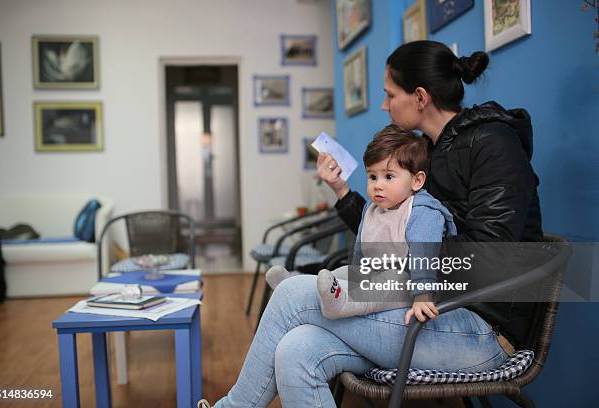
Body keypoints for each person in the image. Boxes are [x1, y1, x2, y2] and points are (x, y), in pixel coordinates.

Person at [198, 40, 541, 408]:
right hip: (424, 309)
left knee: (291, 296)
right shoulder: (432, 149)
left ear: (420, 97)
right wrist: (343, 191)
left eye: (390, 94)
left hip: (481, 328)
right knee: (295, 351)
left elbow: (489, 256)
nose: (383, 104)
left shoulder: (493, 145)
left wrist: (398, 260)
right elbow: (395, 226)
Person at [265, 124, 457, 323]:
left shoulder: (423, 211)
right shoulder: (371, 209)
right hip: (375, 274)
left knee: (388, 283)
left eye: (389, 177)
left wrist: (423, 296)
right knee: (341, 273)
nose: (377, 185)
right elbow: (360, 248)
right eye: (372, 176)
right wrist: (355, 273)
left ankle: (340, 304)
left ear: (417, 181)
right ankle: (294, 288)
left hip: (410, 283)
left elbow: (424, 254)